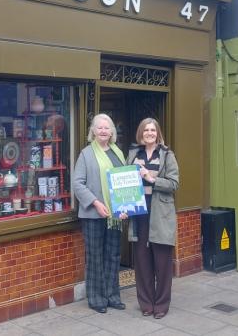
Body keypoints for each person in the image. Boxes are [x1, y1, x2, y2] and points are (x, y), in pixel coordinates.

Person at [72, 113, 128, 314]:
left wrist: (125, 206)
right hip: (94, 215)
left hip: (115, 216)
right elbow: (77, 184)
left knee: (113, 255)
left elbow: (124, 182)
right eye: (100, 128)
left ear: (111, 131)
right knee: (95, 256)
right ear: (93, 131)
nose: (103, 131)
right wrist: (96, 203)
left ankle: (112, 296)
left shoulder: (118, 153)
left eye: (107, 128)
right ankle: (96, 298)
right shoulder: (86, 154)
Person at [127, 117, 180, 319]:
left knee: (162, 263)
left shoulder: (167, 155)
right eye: (146, 130)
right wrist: (123, 207)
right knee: (142, 263)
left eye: (153, 130)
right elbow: (124, 184)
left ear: (158, 133)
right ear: (141, 133)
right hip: (139, 216)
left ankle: (162, 304)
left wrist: (151, 178)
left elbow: (174, 184)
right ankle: (146, 303)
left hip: (161, 215)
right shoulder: (134, 154)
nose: (149, 133)